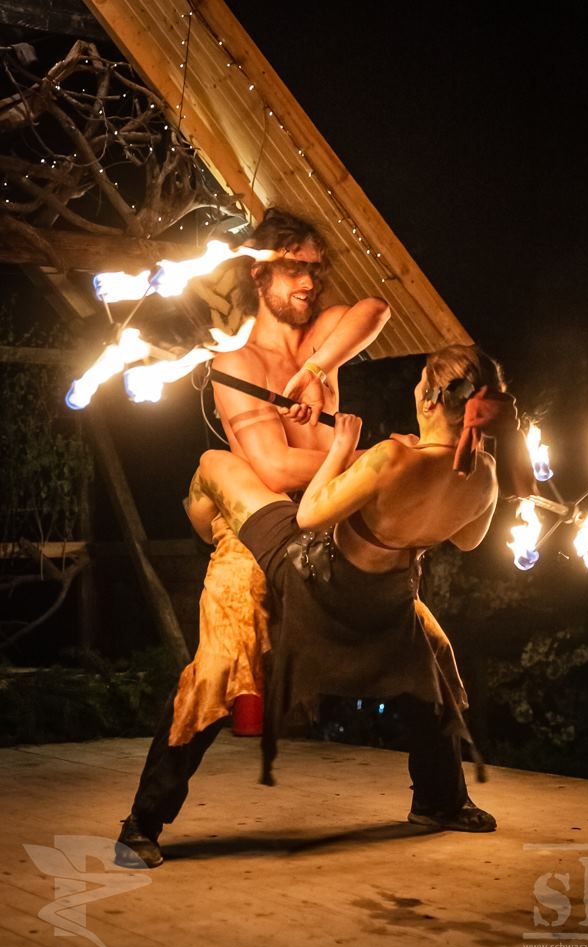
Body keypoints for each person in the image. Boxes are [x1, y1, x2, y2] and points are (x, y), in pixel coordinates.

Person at [115, 205, 391, 868]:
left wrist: (317, 371)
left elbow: (376, 308)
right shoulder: (234, 360)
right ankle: (143, 821)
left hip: (329, 520)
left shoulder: (322, 337)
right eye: (293, 268)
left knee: (416, 638)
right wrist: (371, 460)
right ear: (259, 273)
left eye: (315, 268)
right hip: (255, 523)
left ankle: (438, 795)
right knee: (218, 666)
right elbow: (271, 467)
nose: (309, 282)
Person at [193, 343, 535, 838]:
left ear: (429, 399)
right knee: (434, 661)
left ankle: (209, 526)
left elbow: (308, 516)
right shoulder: (484, 476)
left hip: (312, 576)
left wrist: (341, 447)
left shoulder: (390, 457)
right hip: (385, 597)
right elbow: (467, 539)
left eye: (420, 381)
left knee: (213, 465)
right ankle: (441, 801)